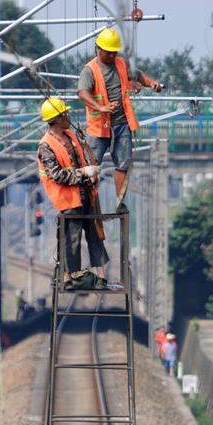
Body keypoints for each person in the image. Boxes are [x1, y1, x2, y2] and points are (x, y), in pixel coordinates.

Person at [77, 28, 162, 203]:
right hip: (99, 127)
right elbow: (82, 93)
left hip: (122, 124)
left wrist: (151, 83)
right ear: (99, 49)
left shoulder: (121, 64)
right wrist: (100, 107)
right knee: (91, 166)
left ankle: (120, 201)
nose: (111, 56)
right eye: (108, 53)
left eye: (114, 52)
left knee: (123, 164)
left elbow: (137, 75)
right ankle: (88, 203)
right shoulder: (90, 70)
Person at [37, 96, 109, 292]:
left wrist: (91, 173)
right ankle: (70, 280)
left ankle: (102, 278)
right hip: (68, 200)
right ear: (58, 118)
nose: (68, 116)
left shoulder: (70, 135)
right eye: (65, 114)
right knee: (72, 240)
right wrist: (84, 173)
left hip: (85, 193)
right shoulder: (46, 145)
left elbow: (81, 158)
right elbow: (57, 175)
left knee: (95, 235)